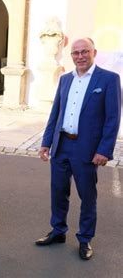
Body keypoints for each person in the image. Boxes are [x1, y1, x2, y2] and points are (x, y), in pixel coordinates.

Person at [36, 38, 121, 260]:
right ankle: (58, 231)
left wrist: (104, 150)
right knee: (58, 192)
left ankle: (85, 239)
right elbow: (55, 113)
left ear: (94, 52)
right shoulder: (65, 79)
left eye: (85, 52)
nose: (80, 56)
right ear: (71, 55)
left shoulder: (109, 79)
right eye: (75, 53)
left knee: (87, 196)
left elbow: (113, 118)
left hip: (87, 149)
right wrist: (46, 142)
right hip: (62, 145)